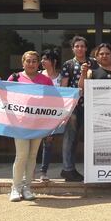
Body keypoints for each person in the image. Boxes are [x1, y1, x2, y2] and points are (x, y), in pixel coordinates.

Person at [6, 51, 55, 201]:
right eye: (28, 61)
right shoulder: (15, 78)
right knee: (21, 155)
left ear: (38, 63)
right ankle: (15, 188)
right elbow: (5, 96)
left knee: (33, 155)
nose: (31, 64)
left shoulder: (46, 80)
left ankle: (27, 187)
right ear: (23, 63)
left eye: (34, 61)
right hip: (20, 123)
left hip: (38, 123)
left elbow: (54, 100)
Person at [59, 36, 98, 182]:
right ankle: (68, 169)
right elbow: (64, 87)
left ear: (86, 48)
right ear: (73, 48)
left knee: (91, 138)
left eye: (82, 46)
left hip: (92, 106)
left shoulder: (94, 63)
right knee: (70, 138)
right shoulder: (68, 64)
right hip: (74, 107)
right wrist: (66, 107)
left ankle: (94, 169)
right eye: (77, 46)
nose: (80, 48)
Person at [37, 49, 62, 182]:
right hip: (37, 113)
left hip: (53, 114)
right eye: (42, 59)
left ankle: (43, 171)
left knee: (48, 142)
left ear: (54, 61)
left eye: (46, 59)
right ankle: (29, 171)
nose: (42, 61)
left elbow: (64, 95)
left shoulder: (61, 77)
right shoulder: (38, 75)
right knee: (33, 142)